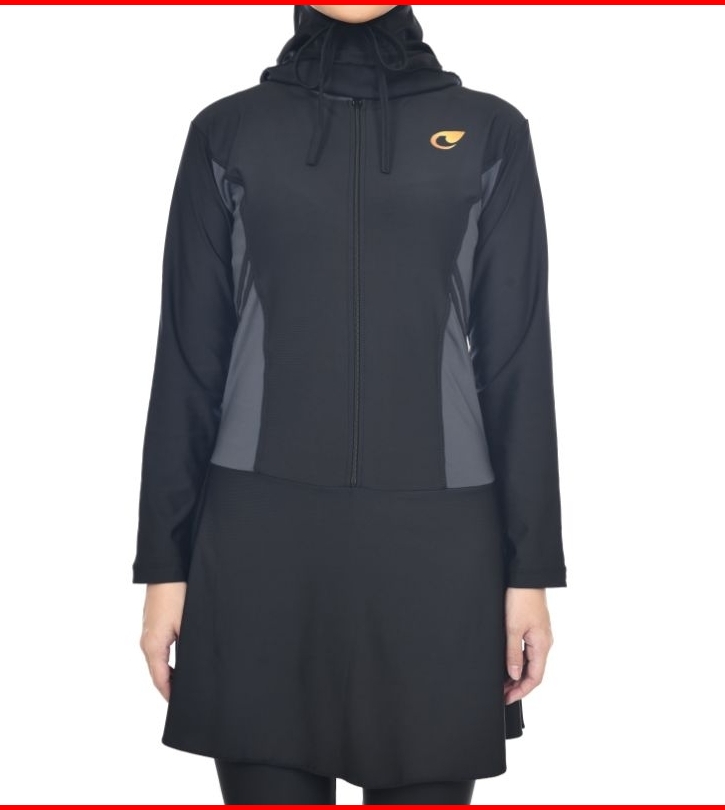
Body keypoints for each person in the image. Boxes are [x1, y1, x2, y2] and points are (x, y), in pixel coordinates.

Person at [133, 4, 568, 805]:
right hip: (260, 551)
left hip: (440, 556)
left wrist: (531, 571)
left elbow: (515, 364)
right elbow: (189, 362)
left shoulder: (491, 133)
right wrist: (163, 566)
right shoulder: (227, 132)